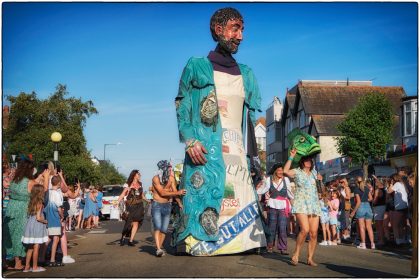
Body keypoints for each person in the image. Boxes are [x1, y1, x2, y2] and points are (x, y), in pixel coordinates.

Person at [174, 7, 265, 256]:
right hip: (205, 153)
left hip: (237, 155)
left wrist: (254, 158)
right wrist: (190, 140)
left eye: (242, 29)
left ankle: (241, 241)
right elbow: (182, 106)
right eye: (235, 28)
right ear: (219, 30)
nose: (241, 36)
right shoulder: (196, 66)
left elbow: (250, 119)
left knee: (235, 199)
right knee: (208, 198)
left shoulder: (247, 73)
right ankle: (204, 242)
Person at [4, 158, 48, 270]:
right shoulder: (30, 182)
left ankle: (5, 261)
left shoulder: (14, 180)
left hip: (11, 207)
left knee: (9, 233)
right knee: (20, 235)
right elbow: (42, 190)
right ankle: (18, 263)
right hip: (23, 209)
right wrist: (46, 178)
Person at [283, 148, 322, 267]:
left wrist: (321, 181)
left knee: (314, 233)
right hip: (301, 204)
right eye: (306, 160)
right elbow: (285, 171)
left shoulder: (315, 173)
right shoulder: (297, 171)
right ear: (302, 162)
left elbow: (320, 190)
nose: (308, 162)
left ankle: (310, 258)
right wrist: (291, 156)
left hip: (314, 204)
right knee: (304, 230)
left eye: (310, 160)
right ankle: (296, 253)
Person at [256, 162, 293, 254]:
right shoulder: (269, 180)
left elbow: (290, 194)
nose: (281, 172)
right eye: (279, 170)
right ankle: (270, 246)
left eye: (282, 170)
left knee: (282, 227)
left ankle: (283, 248)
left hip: (283, 206)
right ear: (275, 171)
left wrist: (293, 205)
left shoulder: (286, 180)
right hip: (272, 205)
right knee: (271, 227)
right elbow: (264, 190)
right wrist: (256, 191)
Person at [152, 161, 186, 257]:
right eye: (169, 168)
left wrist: (179, 202)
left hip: (167, 205)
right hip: (157, 205)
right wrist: (177, 192)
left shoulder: (171, 179)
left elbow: (175, 192)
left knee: (164, 229)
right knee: (158, 227)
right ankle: (158, 249)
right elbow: (162, 193)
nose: (171, 170)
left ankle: (158, 246)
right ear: (164, 169)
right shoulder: (155, 179)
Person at [21, 184, 49, 272]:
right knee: (36, 246)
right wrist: (46, 221)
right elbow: (38, 218)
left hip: (30, 225)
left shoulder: (31, 201)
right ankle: (35, 267)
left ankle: (26, 267)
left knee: (30, 247)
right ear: (40, 192)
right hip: (37, 226)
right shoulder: (40, 202)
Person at [117, 170, 148, 247]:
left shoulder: (140, 184)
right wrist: (117, 202)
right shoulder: (128, 184)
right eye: (138, 174)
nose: (140, 175)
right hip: (130, 206)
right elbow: (123, 194)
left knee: (136, 222)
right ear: (134, 175)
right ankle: (123, 236)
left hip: (139, 205)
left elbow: (142, 195)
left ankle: (131, 240)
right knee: (129, 223)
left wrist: (148, 200)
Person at [349, 176, 375, 249]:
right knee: (369, 227)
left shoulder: (356, 189)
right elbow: (371, 198)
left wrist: (353, 212)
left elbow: (358, 202)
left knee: (362, 227)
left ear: (356, 182)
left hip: (361, 207)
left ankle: (363, 244)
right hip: (368, 207)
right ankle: (372, 244)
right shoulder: (366, 188)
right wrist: (365, 200)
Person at [387, 173, 409, 245]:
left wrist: (391, 184)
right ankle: (404, 239)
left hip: (399, 207)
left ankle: (398, 240)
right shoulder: (403, 184)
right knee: (403, 224)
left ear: (394, 179)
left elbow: (389, 191)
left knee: (396, 225)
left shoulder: (397, 184)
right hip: (405, 206)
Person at [372, 175, 386, 247]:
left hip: (378, 207)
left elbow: (375, 200)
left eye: (376, 181)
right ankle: (381, 239)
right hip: (383, 206)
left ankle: (381, 240)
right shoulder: (384, 189)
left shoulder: (378, 190)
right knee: (380, 224)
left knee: (379, 225)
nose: (375, 182)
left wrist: (371, 200)